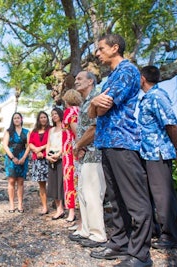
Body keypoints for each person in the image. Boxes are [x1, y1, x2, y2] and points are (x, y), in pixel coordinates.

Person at [88, 34, 153, 267]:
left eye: (100, 48)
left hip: (123, 142)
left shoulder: (128, 71)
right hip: (107, 142)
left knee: (135, 201)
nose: (97, 53)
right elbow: (92, 112)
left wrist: (96, 103)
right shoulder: (111, 77)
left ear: (115, 48)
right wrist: (95, 103)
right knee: (116, 200)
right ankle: (119, 244)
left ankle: (141, 255)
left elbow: (102, 109)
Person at [138, 65, 177, 250]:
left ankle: (170, 236)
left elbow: (172, 124)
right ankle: (153, 231)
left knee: (163, 196)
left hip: (158, 152)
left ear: (142, 78)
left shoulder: (158, 96)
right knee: (147, 194)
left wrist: (175, 149)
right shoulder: (146, 99)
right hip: (145, 153)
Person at [68, 71, 107, 248]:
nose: (76, 82)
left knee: (92, 195)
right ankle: (87, 230)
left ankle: (98, 234)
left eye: (80, 79)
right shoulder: (85, 102)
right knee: (83, 193)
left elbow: (95, 127)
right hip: (85, 154)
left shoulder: (97, 97)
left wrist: (78, 146)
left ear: (90, 81)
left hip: (94, 153)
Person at [2, 112, 30, 213]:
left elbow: (29, 146)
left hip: (23, 157)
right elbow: (5, 145)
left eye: (18, 118)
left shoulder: (27, 132)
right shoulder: (9, 131)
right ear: (12, 120)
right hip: (11, 158)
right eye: (15, 118)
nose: (16, 120)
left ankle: (20, 205)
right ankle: (11, 205)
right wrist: (13, 157)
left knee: (21, 182)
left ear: (21, 119)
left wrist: (23, 158)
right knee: (11, 181)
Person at [61, 89, 81, 222]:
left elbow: (76, 131)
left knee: (70, 182)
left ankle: (72, 213)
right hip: (73, 150)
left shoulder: (70, 112)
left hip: (70, 151)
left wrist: (78, 146)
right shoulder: (80, 110)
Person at [28, 111, 51, 215]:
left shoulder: (51, 129)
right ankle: (45, 207)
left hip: (49, 158)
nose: (43, 119)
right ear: (38, 119)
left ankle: (59, 207)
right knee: (41, 185)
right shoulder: (34, 131)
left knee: (53, 183)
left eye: (45, 117)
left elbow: (52, 141)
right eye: (41, 117)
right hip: (37, 160)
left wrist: (41, 149)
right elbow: (30, 144)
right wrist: (37, 151)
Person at [46, 107, 65, 220]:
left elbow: (67, 142)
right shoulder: (51, 130)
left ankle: (63, 207)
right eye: (52, 114)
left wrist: (59, 154)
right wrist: (48, 155)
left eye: (56, 114)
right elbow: (48, 143)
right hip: (51, 157)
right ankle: (59, 209)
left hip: (61, 157)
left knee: (61, 183)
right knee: (53, 184)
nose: (54, 116)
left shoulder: (65, 127)